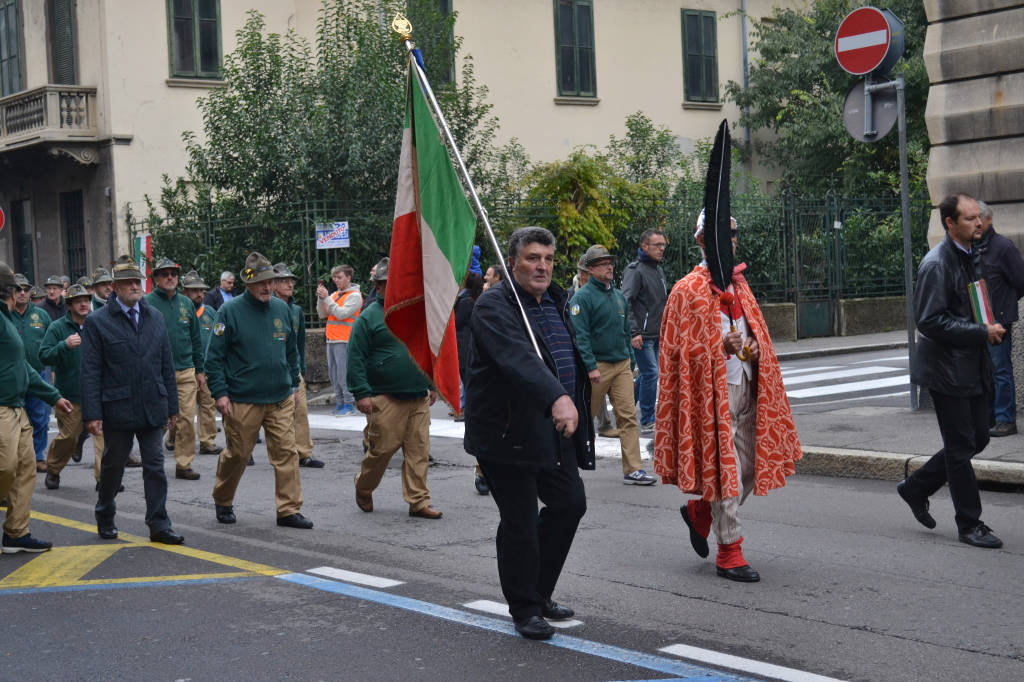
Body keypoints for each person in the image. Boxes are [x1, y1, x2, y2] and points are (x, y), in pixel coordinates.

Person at [654, 213, 802, 582]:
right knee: (728, 470)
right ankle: (729, 550)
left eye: (734, 233)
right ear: (703, 240)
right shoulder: (686, 289)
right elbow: (675, 350)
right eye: (723, 233)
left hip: (747, 385)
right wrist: (718, 345)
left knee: (750, 465)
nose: (731, 239)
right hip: (710, 395)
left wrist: (751, 345)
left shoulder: (740, 284)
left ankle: (702, 511)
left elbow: (756, 334)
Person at [465, 226, 594, 641]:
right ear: (512, 261)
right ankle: (524, 607)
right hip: (507, 433)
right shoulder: (493, 306)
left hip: (554, 431)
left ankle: (539, 591)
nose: (542, 266)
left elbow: (564, 356)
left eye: (548, 259)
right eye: (533, 258)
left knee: (570, 504)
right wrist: (557, 397)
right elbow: (517, 359)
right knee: (519, 521)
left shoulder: (558, 300)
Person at [899, 193, 1006, 549]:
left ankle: (915, 486)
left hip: (972, 365)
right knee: (961, 448)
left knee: (979, 438)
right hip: (947, 372)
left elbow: (972, 301)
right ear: (950, 223)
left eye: (979, 217)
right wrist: (980, 331)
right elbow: (929, 321)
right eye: (970, 218)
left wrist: (988, 324)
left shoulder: (969, 255)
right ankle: (970, 524)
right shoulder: (937, 263)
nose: (979, 223)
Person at [80, 255, 184, 545]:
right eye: (127, 282)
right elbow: (90, 371)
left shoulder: (155, 317)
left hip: (152, 404)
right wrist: (92, 414)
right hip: (117, 407)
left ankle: (159, 524)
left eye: (137, 281)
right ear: (114, 287)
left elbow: (166, 364)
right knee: (113, 466)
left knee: (155, 465)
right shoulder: (97, 322)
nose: (134, 287)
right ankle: (105, 511)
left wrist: (172, 408)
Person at [206, 252, 312, 530]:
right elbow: (213, 358)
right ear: (248, 283)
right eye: (262, 283)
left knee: (287, 453)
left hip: (279, 398)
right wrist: (220, 394)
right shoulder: (228, 312)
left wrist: (293, 383)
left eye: (271, 281)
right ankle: (224, 498)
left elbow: (291, 351)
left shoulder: (282, 309)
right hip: (242, 399)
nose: (267, 287)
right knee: (238, 454)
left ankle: (288, 509)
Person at [348, 258, 442, 519]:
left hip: (418, 394)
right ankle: (364, 486)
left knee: (419, 450)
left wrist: (431, 383)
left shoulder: (414, 313)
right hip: (385, 397)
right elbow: (355, 357)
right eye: (385, 284)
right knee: (382, 450)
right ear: (377, 287)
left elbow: (426, 348)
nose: (391, 288)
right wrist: (361, 393)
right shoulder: (368, 318)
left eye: (396, 283)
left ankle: (418, 500)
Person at [1, 261, 72, 553]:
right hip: (2, 408)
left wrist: (52, 396)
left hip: (17, 408)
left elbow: (24, 367)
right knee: (4, 467)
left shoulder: (7, 319)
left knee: (26, 468)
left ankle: (16, 533)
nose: (18, 292)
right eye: (14, 288)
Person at [570, 245, 654, 485]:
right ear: (591, 269)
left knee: (628, 417)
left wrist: (630, 358)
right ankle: (568, 466)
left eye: (610, 262)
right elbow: (581, 336)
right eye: (602, 263)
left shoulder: (617, 296)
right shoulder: (582, 298)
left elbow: (625, 328)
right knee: (581, 418)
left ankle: (633, 469)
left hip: (621, 366)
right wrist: (590, 366)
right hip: (597, 366)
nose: (609, 266)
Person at [41, 284, 106, 490]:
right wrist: (64, 345)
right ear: (69, 305)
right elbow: (43, 355)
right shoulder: (58, 327)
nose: (83, 304)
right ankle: (53, 468)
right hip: (70, 394)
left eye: (86, 300)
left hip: (97, 393)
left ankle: (103, 478)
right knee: (68, 437)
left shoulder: (98, 324)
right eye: (78, 301)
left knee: (102, 436)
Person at [145, 257, 204, 481]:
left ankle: (184, 463)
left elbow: (196, 339)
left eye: (173, 274)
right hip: (157, 372)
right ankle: (151, 459)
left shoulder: (186, 304)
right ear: (157, 279)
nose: (170, 277)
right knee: (158, 421)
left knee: (187, 420)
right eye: (164, 274)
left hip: (186, 370)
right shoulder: (147, 303)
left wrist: (199, 370)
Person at [975, 201, 1024, 437]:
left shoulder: (1002, 246)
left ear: (987, 220)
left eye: (977, 218)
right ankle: (990, 417)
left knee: (1000, 369)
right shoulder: (972, 247)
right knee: (984, 371)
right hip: (977, 320)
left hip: (998, 320)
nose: (974, 223)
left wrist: (1004, 308)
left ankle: (1006, 419)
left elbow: (1021, 281)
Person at [274, 263, 324, 468]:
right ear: (274, 283)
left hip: (293, 369)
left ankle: (304, 453)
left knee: (300, 410)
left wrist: (300, 369)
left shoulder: (296, 311)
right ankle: (249, 450)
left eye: (291, 280)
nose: (289, 284)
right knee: (266, 413)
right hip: (271, 369)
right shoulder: (266, 308)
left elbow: (301, 342)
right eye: (284, 280)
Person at [622, 229, 669, 434]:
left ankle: (627, 406)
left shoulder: (658, 270)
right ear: (644, 247)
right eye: (657, 245)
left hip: (657, 333)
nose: (661, 249)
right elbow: (626, 301)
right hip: (642, 335)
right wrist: (633, 332)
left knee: (648, 374)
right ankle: (648, 418)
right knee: (651, 373)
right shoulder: (636, 270)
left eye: (663, 245)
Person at [10, 274, 53, 472]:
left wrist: (51, 371)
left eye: (26, 289)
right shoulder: (5, 315)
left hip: (38, 374)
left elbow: (49, 346)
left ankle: (37, 456)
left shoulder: (41, 315)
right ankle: (17, 456)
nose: (22, 293)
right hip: (12, 376)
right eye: (18, 289)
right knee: (14, 419)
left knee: (40, 417)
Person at [181, 271, 223, 456]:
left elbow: (220, 334)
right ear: (185, 292)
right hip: (186, 368)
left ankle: (207, 441)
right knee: (184, 409)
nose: (199, 294)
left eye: (201, 290)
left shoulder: (211, 313)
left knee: (208, 404)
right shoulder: (181, 311)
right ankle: (173, 437)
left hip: (206, 369)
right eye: (194, 290)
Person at [316, 264, 362, 417]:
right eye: (334, 277)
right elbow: (322, 313)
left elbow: (341, 314)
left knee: (343, 374)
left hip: (345, 340)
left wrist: (327, 298)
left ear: (349, 278)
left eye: (339, 277)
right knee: (334, 374)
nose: (336, 280)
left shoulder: (355, 296)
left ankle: (349, 404)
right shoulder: (335, 295)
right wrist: (320, 298)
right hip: (332, 340)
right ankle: (340, 402)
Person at [454, 270, 485, 493]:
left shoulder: (465, 303)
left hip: (464, 350)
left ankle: (463, 408)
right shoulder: (476, 301)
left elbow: (454, 323)